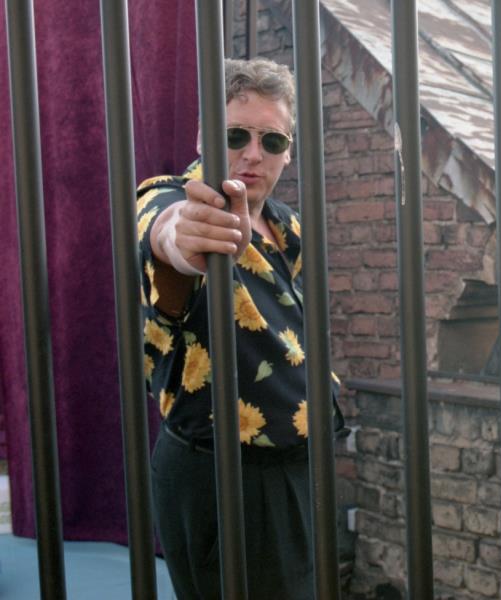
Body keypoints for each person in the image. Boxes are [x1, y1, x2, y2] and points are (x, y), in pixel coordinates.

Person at [137, 58, 343, 600]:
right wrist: (182, 240)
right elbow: (166, 233)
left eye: (271, 141)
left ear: (289, 151)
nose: (253, 154)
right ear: (204, 136)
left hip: (297, 468)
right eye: (235, 136)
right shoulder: (171, 198)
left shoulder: (287, 224)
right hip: (222, 474)